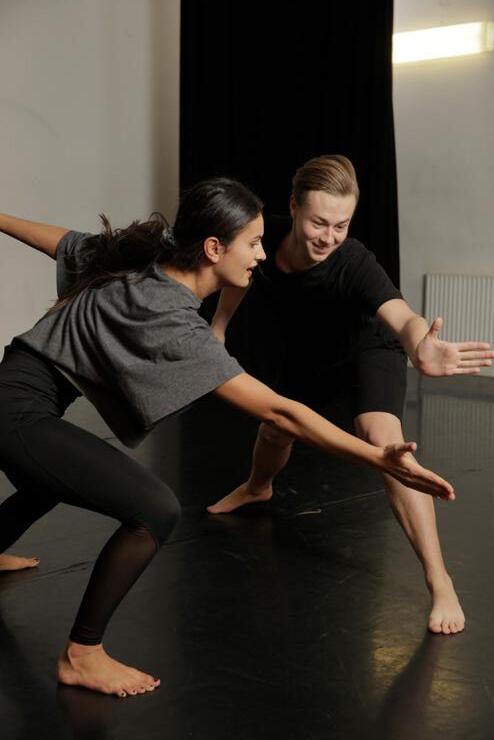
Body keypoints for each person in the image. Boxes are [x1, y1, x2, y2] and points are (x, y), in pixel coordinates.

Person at [0, 178, 454, 697]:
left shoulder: (150, 256)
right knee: (154, 509)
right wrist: (377, 457)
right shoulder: (172, 321)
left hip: (18, 395)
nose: (262, 254)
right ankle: (81, 655)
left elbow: (62, 242)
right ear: (214, 249)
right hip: (16, 412)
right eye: (253, 243)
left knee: (53, 474)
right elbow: (281, 413)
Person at [207, 156, 494, 636]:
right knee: (276, 428)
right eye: (319, 223)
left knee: (384, 440)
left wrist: (420, 346)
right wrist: (217, 328)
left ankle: (439, 579)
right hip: (310, 352)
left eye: (341, 225)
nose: (329, 236)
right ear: (293, 207)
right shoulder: (263, 239)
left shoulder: (354, 261)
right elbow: (241, 275)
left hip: (366, 352)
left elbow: (401, 316)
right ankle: (258, 487)